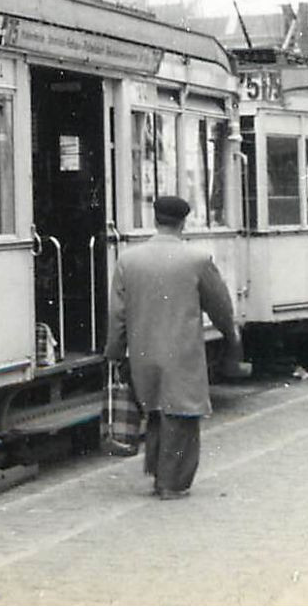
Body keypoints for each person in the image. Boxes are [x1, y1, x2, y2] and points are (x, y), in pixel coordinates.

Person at [104, 194, 243, 500]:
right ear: (183, 222)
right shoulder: (197, 260)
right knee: (182, 418)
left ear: (155, 220)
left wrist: (115, 352)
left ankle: (158, 476)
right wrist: (232, 338)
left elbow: (117, 315)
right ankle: (172, 483)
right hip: (182, 354)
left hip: (143, 354)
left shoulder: (128, 260)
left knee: (155, 413)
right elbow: (221, 308)